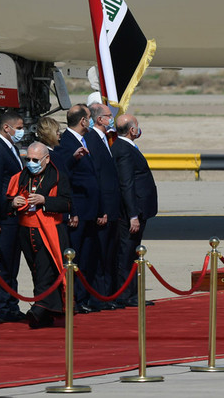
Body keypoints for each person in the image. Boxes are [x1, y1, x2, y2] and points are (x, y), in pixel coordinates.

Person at [6, 142, 71, 328]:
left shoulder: (58, 177)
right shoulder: (20, 177)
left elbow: (67, 203)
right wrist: (13, 203)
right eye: (28, 159)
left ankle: (38, 309)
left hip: (49, 230)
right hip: (26, 231)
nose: (31, 163)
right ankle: (47, 313)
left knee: (46, 270)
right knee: (36, 271)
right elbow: (6, 202)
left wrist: (45, 200)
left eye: (35, 160)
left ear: (47, 159)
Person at [54, 104, 101, 314]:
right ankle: (74, 299)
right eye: (89, 118)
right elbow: (65, 178)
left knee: (87, 256)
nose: (91, 121)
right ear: (83, 120)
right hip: (78, 211)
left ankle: (84, 297)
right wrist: (72, 211)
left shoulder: (84, 139)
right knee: (76, 256)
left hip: (90, 210)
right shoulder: (66, 143)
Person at [112, 114, 158, 307]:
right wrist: (133, 215)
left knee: (132, 252)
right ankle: (127, 295)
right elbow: (127, 184)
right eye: (137, 126)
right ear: (132, 130)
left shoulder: (126, 147)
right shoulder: (123, 150)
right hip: (132, 211)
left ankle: (131, 293)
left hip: (139, 209)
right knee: (127, 252)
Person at [0, 110, 26, 322]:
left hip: (15, 216)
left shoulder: (11, 147)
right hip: (5, 216)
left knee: (12, 264)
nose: (21, 132)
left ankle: (11, 305)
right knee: (5, 264)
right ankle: (2, 307)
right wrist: (8, 203)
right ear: (6, 128)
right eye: (19, 128)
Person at [86, 103, 124, 310]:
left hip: (111, 208)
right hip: (104, 209)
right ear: (100, 119)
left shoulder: (103, 140)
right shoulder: (93, 139)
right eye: (109, 116)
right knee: (100, 255)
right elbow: (97, 178)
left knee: (109, 253)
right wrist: (101, 209)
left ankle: (109, 295)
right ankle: (100, 296)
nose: (111, 119)